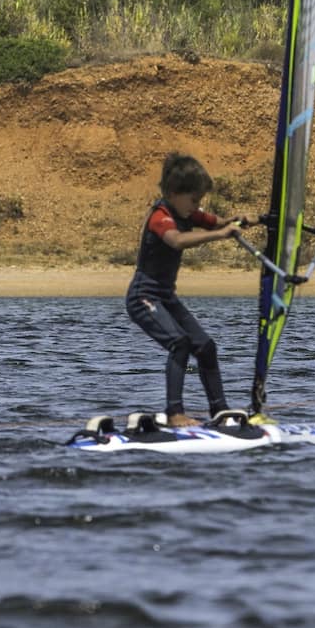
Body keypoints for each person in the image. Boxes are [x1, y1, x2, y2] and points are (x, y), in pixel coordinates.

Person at [125, 153, 244, 427]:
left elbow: (220, 222)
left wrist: (239, 221)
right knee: (179, 343)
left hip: (166, 298)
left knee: (205, 346)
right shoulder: (161, 216)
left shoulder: (188, 212)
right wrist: (219, 235)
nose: (197, 206)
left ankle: (220, 412)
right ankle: (174, 413)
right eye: (194, 200)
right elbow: (177, 241)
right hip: (143, 297)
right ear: (174, 193)